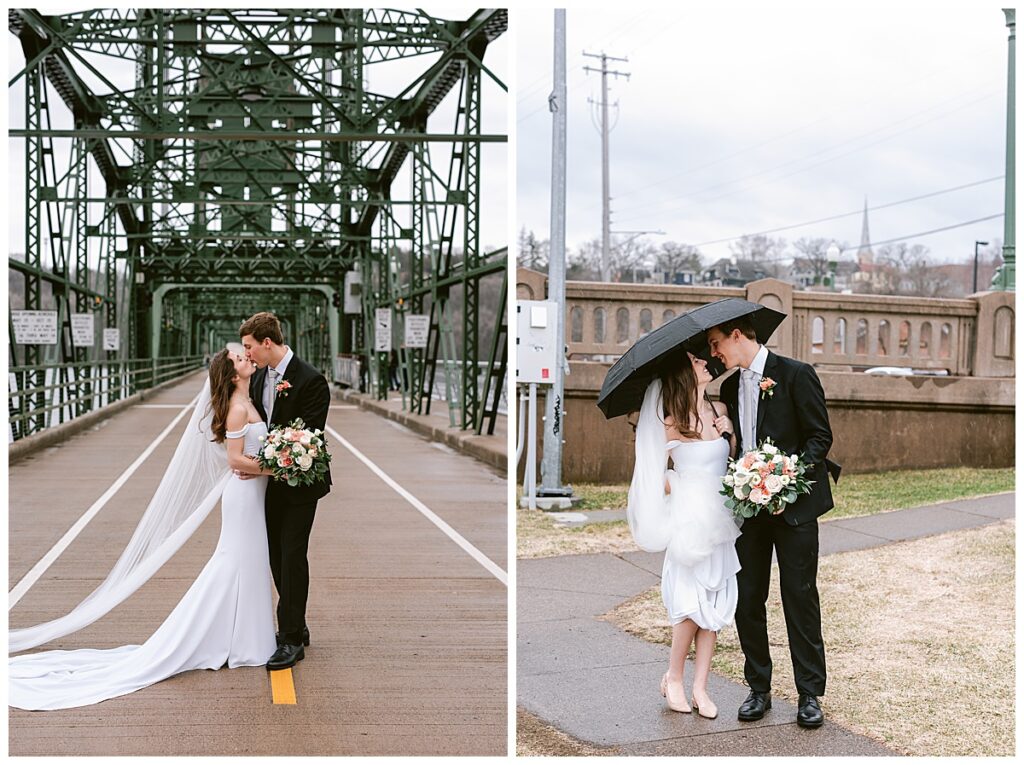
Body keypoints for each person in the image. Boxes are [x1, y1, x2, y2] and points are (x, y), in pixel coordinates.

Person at [9, 348, 277, 710]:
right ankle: (237, 641)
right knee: (235, 563)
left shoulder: (249, 399)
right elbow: (234, 459)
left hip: (252, 495)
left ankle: (246, 639)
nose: (246, 357)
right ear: (232, 375)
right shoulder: (237, 408)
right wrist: (279, 468)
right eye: (239, 358)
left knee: (248, 564)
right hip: (243, 496)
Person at [707, 316, 835, 729]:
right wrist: (728, 436)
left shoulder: (796, 374)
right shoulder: (729, 387)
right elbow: (741, 445)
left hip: (793, 509)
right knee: (748, 597)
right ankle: (758, 688)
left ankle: (809, 693)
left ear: (737, 335)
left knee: (799, 596)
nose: (714, 353)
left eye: (716, 343)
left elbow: (819, 437)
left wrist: (787, 481)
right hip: (750, 511)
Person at [627, 350, 740, 719]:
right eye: (696, 361)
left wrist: (729, 433)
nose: (705, 363)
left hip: (721, 520)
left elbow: (728, 462)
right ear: (682, 373)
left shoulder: (719, 410)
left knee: (714, 605)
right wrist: (680, 484)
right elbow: (650, 473)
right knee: (690, 606)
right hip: (689, 521)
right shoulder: (670, 421)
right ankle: (674, 677)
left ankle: (700, 687)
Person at [239, 312, 332, 670]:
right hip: (268, 485)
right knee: (276, 556)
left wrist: (261, 464)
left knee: (292, 555)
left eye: (249, 346)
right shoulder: (258, 376)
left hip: (300, 485)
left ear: (267, 343)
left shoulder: (311, 380)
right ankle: (298, 621)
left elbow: (307, 438)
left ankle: (291, 637)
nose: (247, 354)